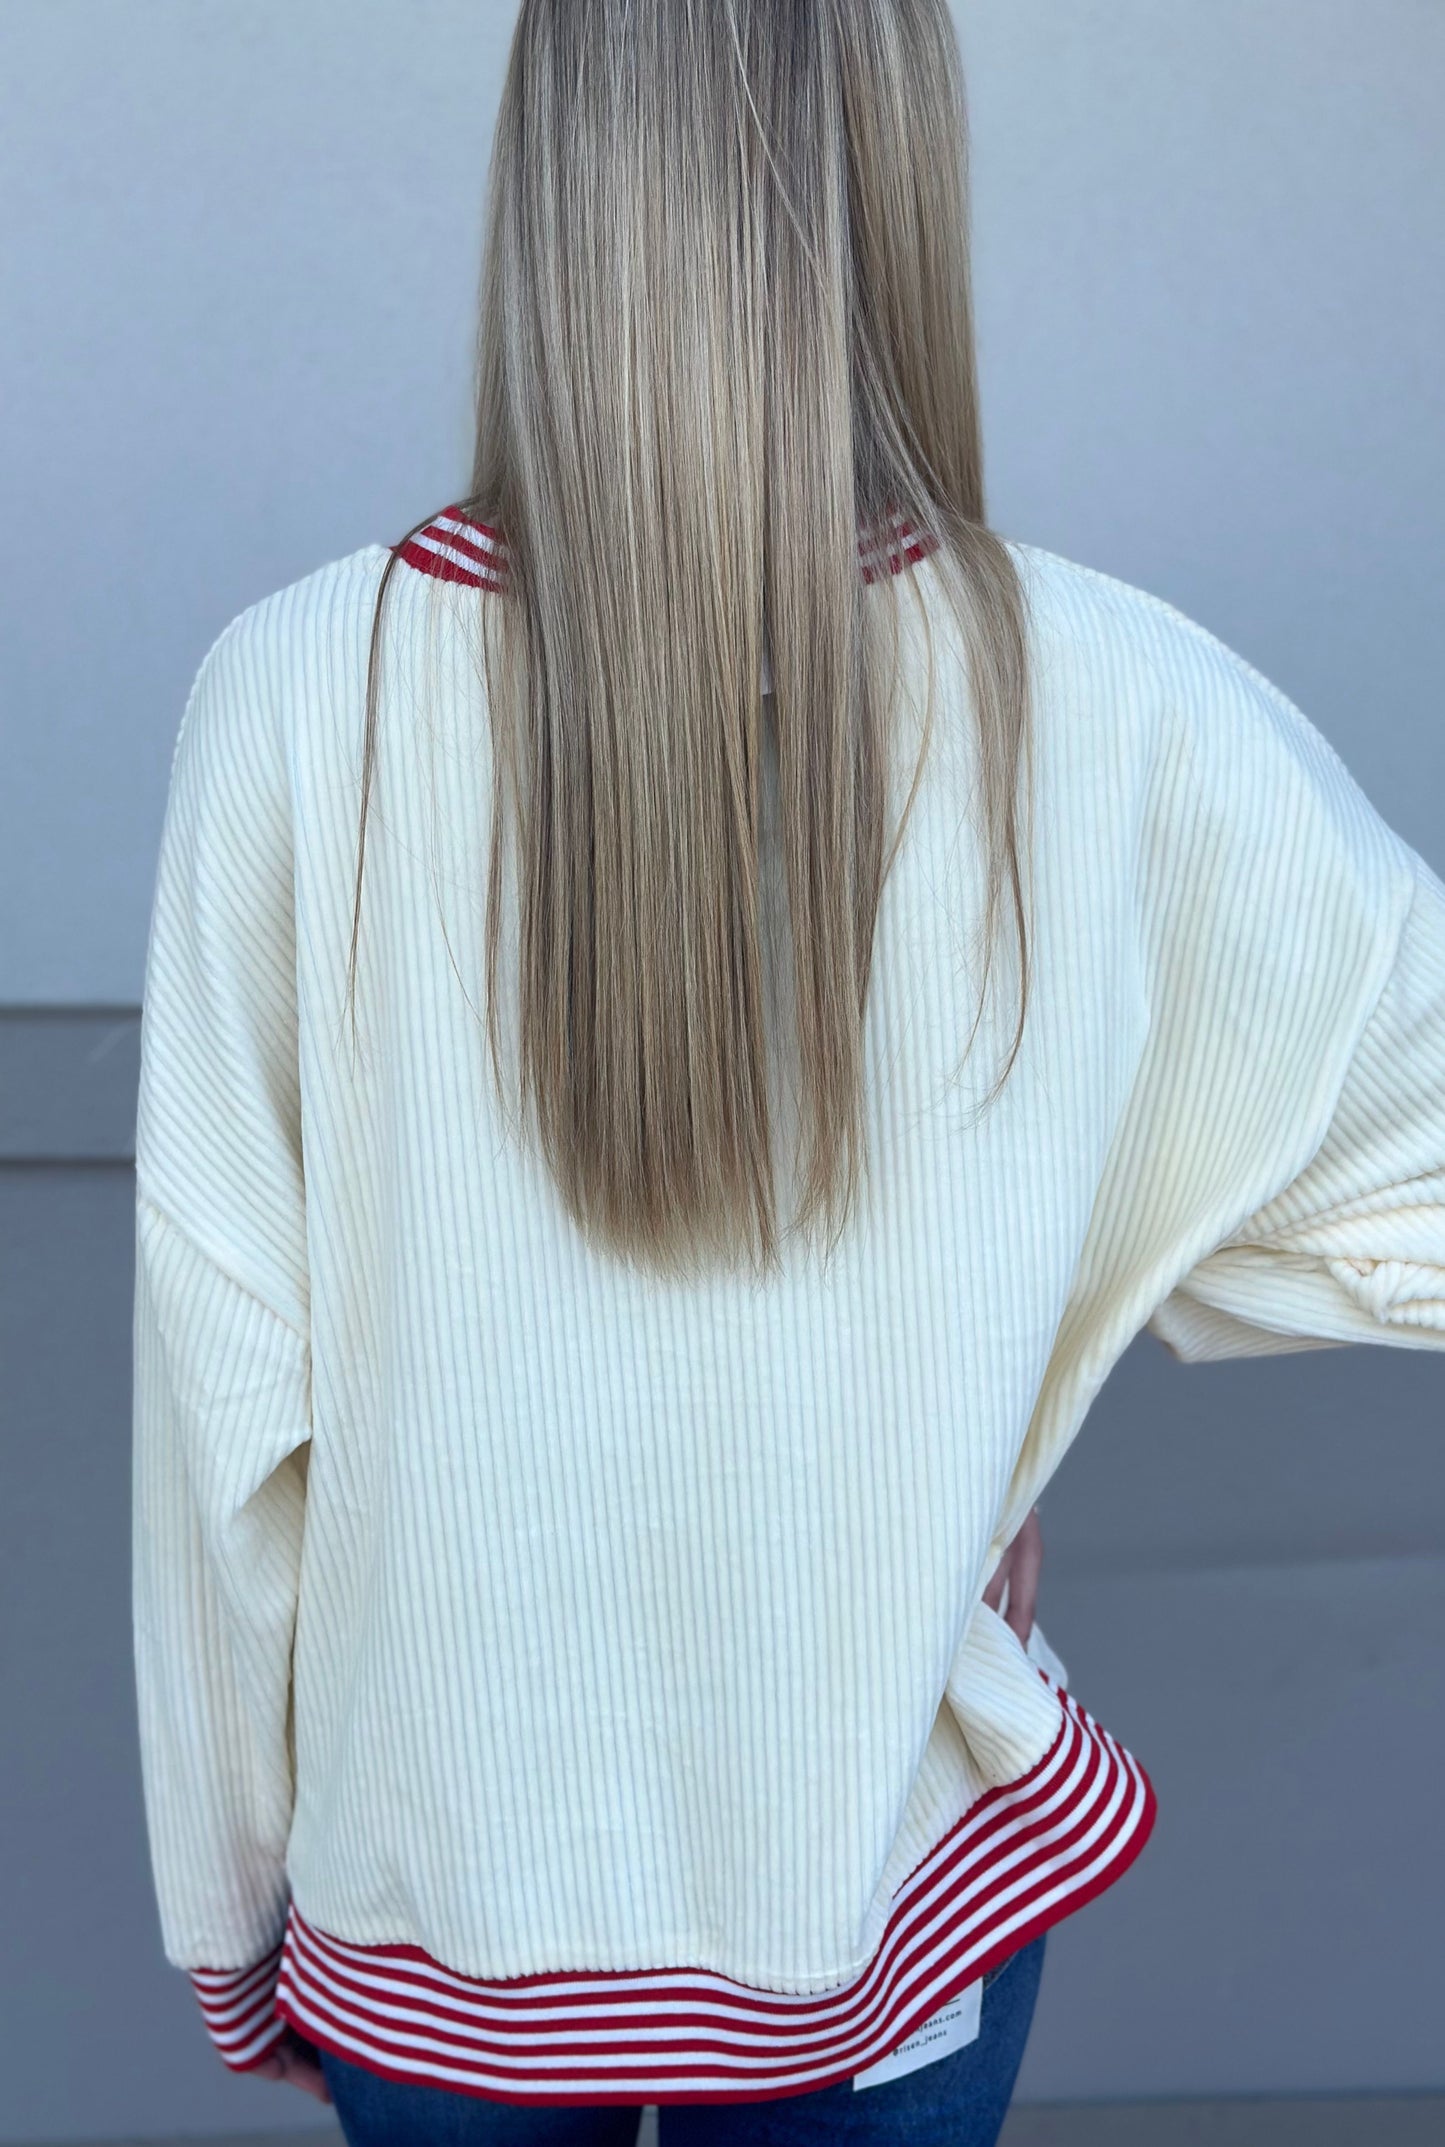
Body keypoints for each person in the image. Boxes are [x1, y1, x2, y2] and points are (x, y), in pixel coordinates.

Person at [129, 3, 1445, 2142]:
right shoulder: (1100, 703)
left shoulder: (295, 698)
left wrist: (233, 1913)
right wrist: (1037, 1331)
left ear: (547, 190)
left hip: (434, 1924)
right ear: (894, 186)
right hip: (879, 1890)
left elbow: (223, 1431)